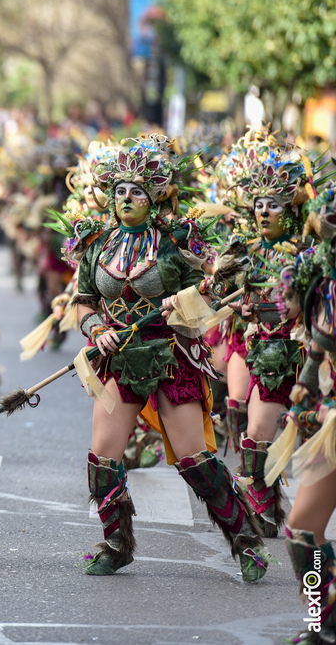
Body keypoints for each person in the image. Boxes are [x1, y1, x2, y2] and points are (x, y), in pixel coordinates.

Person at [67, 135, 269, 581]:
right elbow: (83, 300)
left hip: (171, 356)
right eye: (119, 191)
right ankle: (116, 544)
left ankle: (247, 541)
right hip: (118, 358)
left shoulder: (175, 240)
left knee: (193, 459)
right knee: (102, 457)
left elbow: (215, 283)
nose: (126, 199)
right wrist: (95, 329)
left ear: (155, 195)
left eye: (136, 191)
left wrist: (189, 297)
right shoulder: (97, 242)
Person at [213, 129, 309, 537]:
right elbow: (217, 294)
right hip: (266, 352)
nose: (264, 212)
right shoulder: (245, 251)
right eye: (259, 204)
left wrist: (301, 303)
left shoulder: (308, 252)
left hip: (310, 359)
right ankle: (264, 504)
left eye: (274, 205)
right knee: (254, 434)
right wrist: (238, 305)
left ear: (290, 210)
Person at [270, 186, 336, 643]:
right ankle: (322, 622)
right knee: (301, 530)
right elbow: (317, 346)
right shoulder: (325, 280)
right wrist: (306, 390)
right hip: (331, 419)